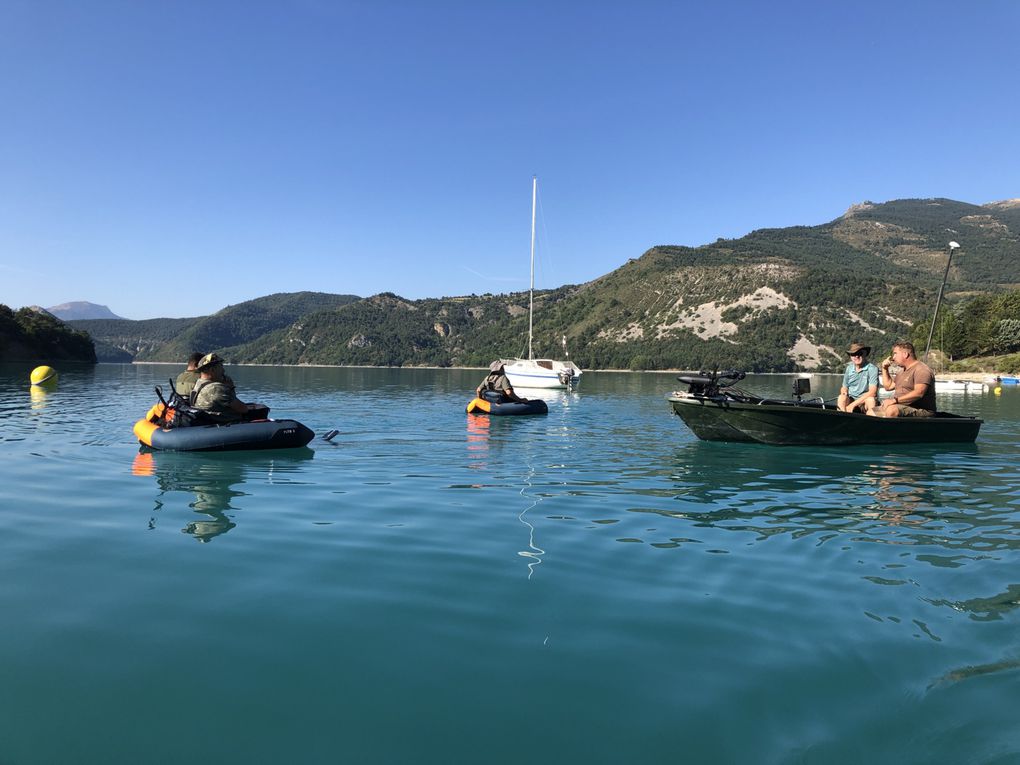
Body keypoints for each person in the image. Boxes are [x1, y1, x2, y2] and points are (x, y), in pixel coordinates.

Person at [869, 340, 936, 418]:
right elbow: (888, 386)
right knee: (871, 412)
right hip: (901, 407)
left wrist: (894, 401)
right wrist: (885, 368)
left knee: (891, 410)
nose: (893, 358)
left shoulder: (921, 369)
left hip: (922, 411)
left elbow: (919, 392)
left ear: (905, 354)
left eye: (895, 354)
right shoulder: (901, 371)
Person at [190, 353, 262, 423]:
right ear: (212, 370)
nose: (223, 370)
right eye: (221, 367)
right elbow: (243, 409)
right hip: (226, 424)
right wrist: (230, 387)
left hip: (209, 420)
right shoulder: (217, 388)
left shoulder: (198, 383)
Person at [836, 342, 879, 413]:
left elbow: (872, 392)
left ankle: (871, 422)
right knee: (841, 398)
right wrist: (844, 393)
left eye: (859, 353)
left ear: (865, 354)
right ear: (850, 356)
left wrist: (852, 405)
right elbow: (844, 387)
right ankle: (843, 419)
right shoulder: (849, 368)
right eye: (853, 354)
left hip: (864, 402)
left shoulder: (872, 369)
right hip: (851, 399)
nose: (856, 356)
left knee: (871, 400)